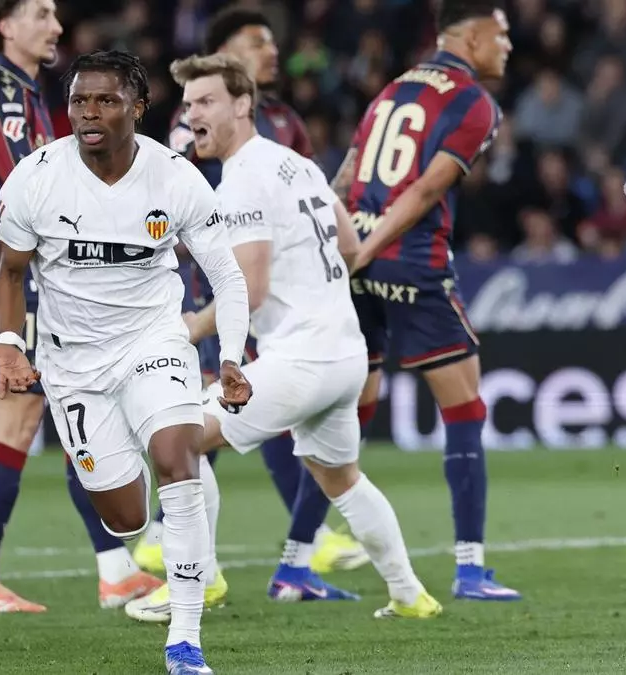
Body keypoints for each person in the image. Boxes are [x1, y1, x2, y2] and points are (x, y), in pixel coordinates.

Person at [127, 54, 442, 624]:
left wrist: (189, 326)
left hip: (303, 357)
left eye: (206, 101)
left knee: (178, 439)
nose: (192, 114)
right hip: (344, 352)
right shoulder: (296, 163)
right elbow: (350, 246)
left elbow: (249, 289)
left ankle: (200, 580)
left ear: (243, 105)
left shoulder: (243, 179)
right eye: (189, 103)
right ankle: (409, 594)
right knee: (340, 477)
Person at [0, 49, 250, 675]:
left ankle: (185, 641)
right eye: (79, 101)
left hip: (153, 341)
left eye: (106, 100)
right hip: (74, 365)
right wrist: (12, 343)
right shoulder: (35, 179)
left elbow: (228, 276)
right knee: (126, 520)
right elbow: (10, 274)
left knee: (179, 459)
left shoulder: (176, 178)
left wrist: (232, 357)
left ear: (138, 107)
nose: (89, 113)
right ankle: (132, 454)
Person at [134, 7, 368, 588]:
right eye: (255, 43)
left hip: (276, 291)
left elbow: (313, 198)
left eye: (270, 42)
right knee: (217, 409)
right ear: (224, 55)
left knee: (243, 409)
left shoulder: (283, 120)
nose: (270, 51)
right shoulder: (193, 124)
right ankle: (173, 537)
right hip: (219, 284)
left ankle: (246, 550)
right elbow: (166, 193)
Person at [0, 0, 162, 613]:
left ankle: (116, 570)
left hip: (45, 280)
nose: (56, 26)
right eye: (41, 13)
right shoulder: (3, 96)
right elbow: (33, 186)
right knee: (16, 421)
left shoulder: (27, 95)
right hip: (13, 281)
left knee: (80, 417)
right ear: (5, 24)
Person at [330, 0, 521, 601]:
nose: (508, 45)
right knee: (464, 409)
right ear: (471, 36)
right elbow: (424, 190)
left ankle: (295, 562)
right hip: (410, 262)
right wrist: (370, 248)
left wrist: (337, 244)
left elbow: (347, 175)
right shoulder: (473, 101)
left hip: (355, 260)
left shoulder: (392, 88)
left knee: (347, 414)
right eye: (501, 34)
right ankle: (470, 569)